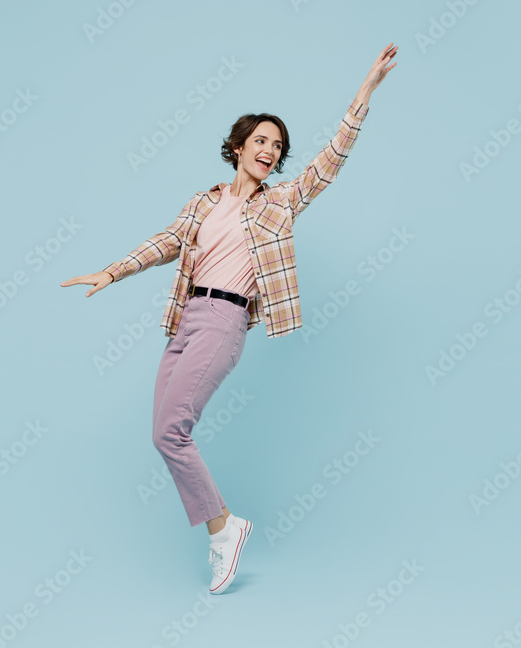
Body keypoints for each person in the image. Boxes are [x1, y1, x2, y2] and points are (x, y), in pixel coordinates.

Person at [61, 43, 397, 594]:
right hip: (186, 319)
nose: (270, 150)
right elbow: (169, 242)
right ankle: (223, 525)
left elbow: (330, 162)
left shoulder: (280, 202)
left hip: (225, 320)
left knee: (174, 430)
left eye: (278, 147)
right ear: (238, 147)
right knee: (161, 434)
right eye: (261, 141)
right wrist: (111, 272)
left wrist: (364, 93)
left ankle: (223, 529)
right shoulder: (203, 201)